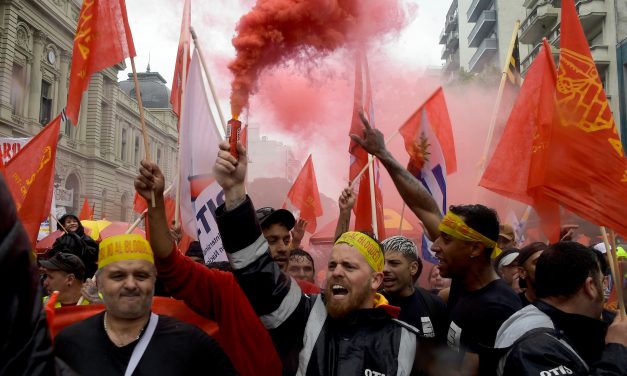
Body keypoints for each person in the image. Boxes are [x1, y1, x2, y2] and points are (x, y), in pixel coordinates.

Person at [213, 140, 422, 375]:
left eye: (349, 266)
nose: (336, 272)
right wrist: (234, 193)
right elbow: (257, 273)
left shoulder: (404, 339)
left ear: (375, 280)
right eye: (332, 264)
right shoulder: (306, 313)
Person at [351, 114, 521, 376]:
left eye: (447, 240)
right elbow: (424, 206)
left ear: (475, 249)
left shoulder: (495, 306)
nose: (435, 246)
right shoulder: (466, 282)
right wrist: (383, 154)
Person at [135, 161, 283, 376]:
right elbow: (171, 264)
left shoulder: (310, 296)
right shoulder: (229, 290)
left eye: (286, 239)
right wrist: (155, 203)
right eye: (271, 240)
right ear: (255, 245)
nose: (281, 248)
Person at [54, 234, 236, 375]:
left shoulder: (191, 342)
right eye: (118, 276)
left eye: (141, 276)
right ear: (99, 283)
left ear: (154, 281)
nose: (131, 285)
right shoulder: (69, 342)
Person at [495, 242, 627, 375]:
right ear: (591, 286)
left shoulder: (560, 321)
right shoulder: (533, 346)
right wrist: (617, 349)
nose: (604, 288)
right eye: (601, 282)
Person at [381, 236, 448, 345]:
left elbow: (444, 353)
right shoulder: (371, 304)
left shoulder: (434, 305)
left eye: (394, 263)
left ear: (413, 268)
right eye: (382, 263)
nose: (385, 269)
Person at [49, 214, 98, 278]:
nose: (72, 223)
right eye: (68, 222)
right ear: (63, 225)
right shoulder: (60, 240)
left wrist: (80, 242)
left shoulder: (87, 238)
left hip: (86, 275)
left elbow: (93, 256)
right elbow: (55, 257)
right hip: (66, 275)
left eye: (75, 221)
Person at [516, 242, 547, 306]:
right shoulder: (515, 306)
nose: (547, 265)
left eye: (550, 260)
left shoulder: (567, 301)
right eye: (538, 262)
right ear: (522, 272)